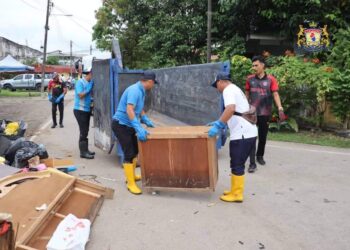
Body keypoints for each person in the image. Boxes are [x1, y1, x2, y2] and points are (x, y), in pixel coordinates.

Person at [208, 72, 257, 203]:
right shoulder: (235, 88)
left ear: (220, 81)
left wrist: (219, 125)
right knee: (236, 162)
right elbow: (235, 111)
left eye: (216, 85)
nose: (217, 89)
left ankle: (237, 194)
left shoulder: (228, 90)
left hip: (242, 134)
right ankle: (235, 190)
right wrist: (219, 121)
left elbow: (230, 109)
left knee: (237, 163)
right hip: (247, 132)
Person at [111, 71, 158, 195]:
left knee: (135, 151)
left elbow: (138, 107)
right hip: (121, 125)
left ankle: (132, 175)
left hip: (130, 125)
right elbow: (129, 109)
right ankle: (130, 183)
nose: (153, 86)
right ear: (149, 82)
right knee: (129, 153)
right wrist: (138, 127)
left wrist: (144, 119)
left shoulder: (141, 91)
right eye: (153, 83)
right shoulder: (135, 90)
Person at [245, 55, 286, 173]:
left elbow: (275, 94)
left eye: (256, 65)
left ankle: (260, 156)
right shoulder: (249, 79)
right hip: (252, 113)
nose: (254, 67)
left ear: (263, 65)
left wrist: (280, 108)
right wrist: (245, 107)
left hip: (265, 112)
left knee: (262, 136)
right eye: (252, 65)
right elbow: (247, 94)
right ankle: (252, 160)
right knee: (251, 137)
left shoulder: (271, 79)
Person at [73, 68, 95, 159]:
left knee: (86, 130)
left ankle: (86, 150)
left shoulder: (90, 83)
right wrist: (89, 88)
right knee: (83, 131)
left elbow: (89, 97)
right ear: (90, 74)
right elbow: (80, 95)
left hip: (86, 110)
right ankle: (83, 153)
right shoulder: (80, 82)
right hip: (79, 110)